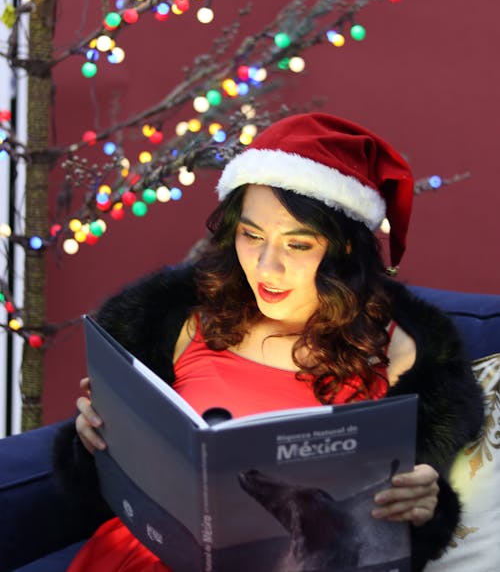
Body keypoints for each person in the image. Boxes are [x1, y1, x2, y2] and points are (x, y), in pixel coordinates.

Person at [51, 112, 483, 572]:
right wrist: (92, 441)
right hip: (141, 556)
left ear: (345, 249)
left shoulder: (400, 356)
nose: (266, 267)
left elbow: (384, 534)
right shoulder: (180, 322)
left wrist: (423, 510)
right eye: (251, 235)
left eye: (298, 245)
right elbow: (104, 485)